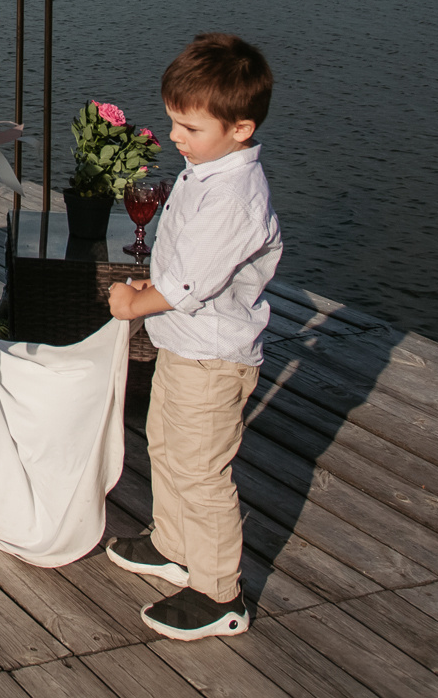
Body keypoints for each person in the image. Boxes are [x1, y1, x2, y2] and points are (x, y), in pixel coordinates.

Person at [105, 33, 284, 641]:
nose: (176, 137)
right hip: (185, 346)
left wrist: (135, 300)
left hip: (212, 355)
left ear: (240, 128)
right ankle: (174, 545)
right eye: (174, 121)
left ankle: (218, 592)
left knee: (202, 470)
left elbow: (192, 282)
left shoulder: (234, 196)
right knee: (165, 445)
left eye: (190, 127)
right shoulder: (207, 169)